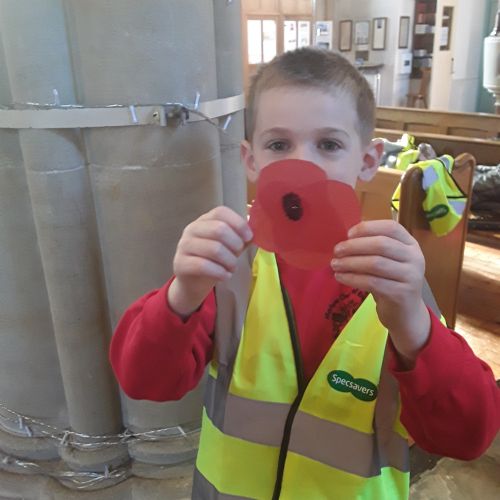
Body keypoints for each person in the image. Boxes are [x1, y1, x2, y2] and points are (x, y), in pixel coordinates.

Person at [110, 48, 499, 499]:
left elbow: (467, 436)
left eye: (329, 145)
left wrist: (414, 326)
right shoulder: (231, 269)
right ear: (251, 159)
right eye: (279, 145)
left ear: (368, 161)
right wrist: (182, 295)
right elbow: (144, 381)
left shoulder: (393, 279)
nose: (304, 165)